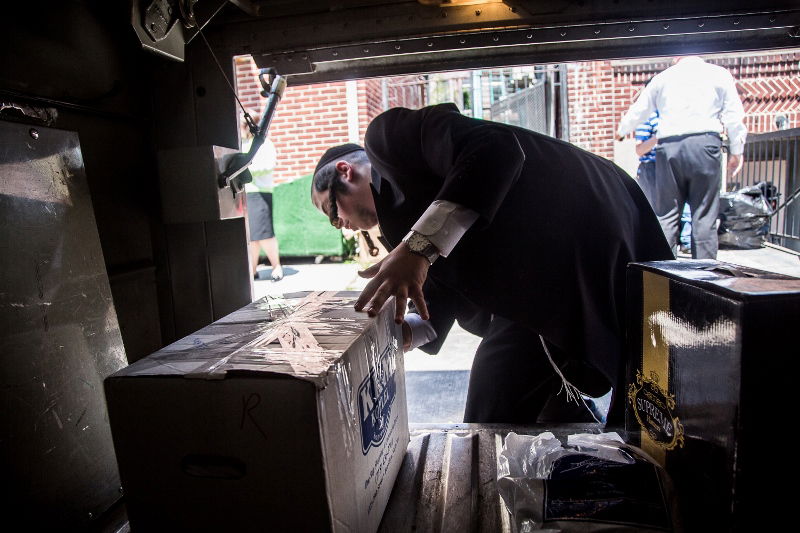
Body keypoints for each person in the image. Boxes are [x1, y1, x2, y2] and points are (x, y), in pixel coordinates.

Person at [310, 103, 673, 426]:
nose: (339, 225)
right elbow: (440, 296)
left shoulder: (388, 139)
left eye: (331, 211)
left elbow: (496, 148)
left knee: (495, 405)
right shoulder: (401, 231)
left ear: (344, 171)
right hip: (535, 292)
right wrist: (401, 333)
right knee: (545, 400)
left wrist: (418, 249)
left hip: (584, 225)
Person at [617, 55, 747, 259]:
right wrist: (736, 151)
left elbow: (641, 109)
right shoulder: (719, 74)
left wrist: (623, 129)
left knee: (666, 215)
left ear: (677, 58)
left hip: (669, 146)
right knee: (704, 215)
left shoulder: (664, 77)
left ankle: (661, 277)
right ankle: (703, 278)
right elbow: (733, 114)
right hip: (704, 144)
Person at [243, 134, 283, 281]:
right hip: (245, 193)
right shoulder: (242, 142)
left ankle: (276, 267)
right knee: (252, 235)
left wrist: (245, 167)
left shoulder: (265, 144)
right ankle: (252, 270)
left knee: (265, 233)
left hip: (260, 191)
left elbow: (269, 165)